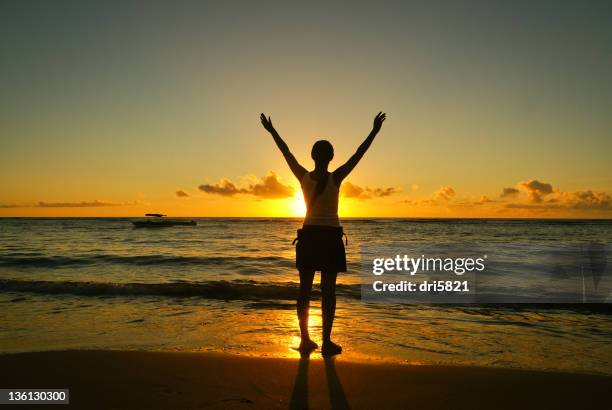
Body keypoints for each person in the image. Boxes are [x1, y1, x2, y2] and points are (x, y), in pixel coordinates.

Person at [260, 112, 386, 356]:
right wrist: (374, 131)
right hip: (330, 238)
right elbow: (358, 155)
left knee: (304, 290)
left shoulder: (303, 176)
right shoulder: (335, 177)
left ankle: (306, 340)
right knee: (328, 291)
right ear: (331, 158)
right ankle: (326, 342)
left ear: (312, 156)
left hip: (309, 237)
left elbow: (286, 152)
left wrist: (272, 131)